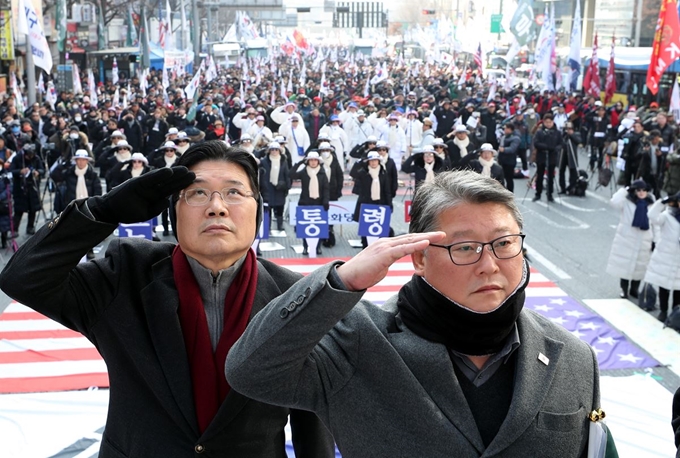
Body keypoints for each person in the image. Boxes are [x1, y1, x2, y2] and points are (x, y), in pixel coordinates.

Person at [226, 169, 606, 458]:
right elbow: (251, 370)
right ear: (420, 258)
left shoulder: (573, 357)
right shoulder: (358, 343)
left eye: (504, 243)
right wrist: (341, 283)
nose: (489, 264)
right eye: (466, 248)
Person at [0, 141, 334, 457]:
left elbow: (314, 425)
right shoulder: (125, 275)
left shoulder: (296, 298)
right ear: (173, 213)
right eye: (198, 194)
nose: (217, 207)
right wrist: (101, 211)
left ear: (257, 210)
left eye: (233, 192)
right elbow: (24, 279)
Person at [606, 179, 655, 299]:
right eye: (638, 190)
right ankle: (624, 289)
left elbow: (655, 223)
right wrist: (624, 190)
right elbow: (613, 202)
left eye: (644, 190)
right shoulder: (627, 201)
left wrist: (655, 240)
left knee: (640, 266)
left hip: (644, 238)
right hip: (627, 237)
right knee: (625, 265)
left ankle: (634, 289)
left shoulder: (651, 203)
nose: (642, 192)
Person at [642, 191, 680, 322]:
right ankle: (663, 311)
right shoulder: (667, 215)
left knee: (678, 288)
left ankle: (675, 313)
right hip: (666, 256)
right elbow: (651, 216)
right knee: (664, 285)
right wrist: (662, 202)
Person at [350, 151, 394, 248]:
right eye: (371, 161)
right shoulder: (364, 173)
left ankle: (379, 246)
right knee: (366, 226)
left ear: (379, 161)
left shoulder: (383, 173)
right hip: (366, 203)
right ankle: (365, 245)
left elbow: (387, 190)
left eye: (375, 160)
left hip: (380, 203)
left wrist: (389, 203)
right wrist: (360, 161)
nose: (373, 163)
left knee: (379, 225)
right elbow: (353, 173)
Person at [290, 150, 330, 256]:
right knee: (305, 226)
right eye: (311, 160)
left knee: (319, 226)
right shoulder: (304, 172)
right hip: (305, 203)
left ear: (318, 161)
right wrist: (299, 163)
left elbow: (326, 188)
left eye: (315, 160)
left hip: (319, 203)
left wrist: (326, 201)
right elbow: (292, 174)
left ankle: (318, 247)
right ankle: (305, 246)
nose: (313, 162)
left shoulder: (322, 173)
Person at [8, 143, 44, 235]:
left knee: (33, 209)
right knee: (19, 210)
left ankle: (30, 227)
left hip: (33, 187)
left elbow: (42, 169)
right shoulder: (17, 158)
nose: (30, 157)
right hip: (20, 187)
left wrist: (38, 172)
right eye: (28, 156)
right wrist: (20, 171)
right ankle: (15, 229)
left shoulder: (36, 158)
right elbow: (11, 171)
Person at [259, 142, 291, 232]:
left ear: (279, 151)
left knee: (280, 208)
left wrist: (286, 185)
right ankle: (267, 227)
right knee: (267, 209)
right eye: (272, 149)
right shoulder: (264, 161)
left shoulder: (283, 161)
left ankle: (280, 226)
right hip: (267, 189)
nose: (274, 151)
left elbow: (287, 175)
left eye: (276, 149)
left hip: (279, 189)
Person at [532, 114, 562, 203]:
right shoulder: (539, 132)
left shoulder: (557, 132)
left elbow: (561, 143)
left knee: (550, 177)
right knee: (540, 176)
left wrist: (556, 148)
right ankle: (538, 193)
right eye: (547, 122)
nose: (548, 124)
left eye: (550, 122)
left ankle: (550, 194)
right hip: (541, 156)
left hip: (552, 156)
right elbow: (536, 143)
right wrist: (545, 147)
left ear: (553, 122)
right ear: (544, 122)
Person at [558, 122, 582, 195]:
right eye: (567, 128)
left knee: (573, 172)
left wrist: (571, 135)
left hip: (572, 155)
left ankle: (571, 188)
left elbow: (579, 141)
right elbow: (559, 141)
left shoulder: (576, 134)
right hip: (563, 154)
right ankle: (563, 188)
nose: (568, 130)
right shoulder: (563, 135)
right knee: (561, 171)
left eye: (570, 128)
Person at [497, 124, 520, 192]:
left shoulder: (515, 138)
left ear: (510, 129)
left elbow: (512, 149)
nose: (504, 130)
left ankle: (510, 192)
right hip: (502, 160)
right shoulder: (504, 137)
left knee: (509, 178)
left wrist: (504, 149)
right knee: (501, 178)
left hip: (510, 161)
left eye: (506, 128)